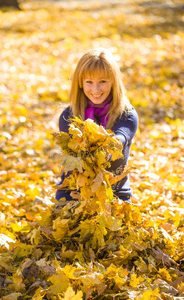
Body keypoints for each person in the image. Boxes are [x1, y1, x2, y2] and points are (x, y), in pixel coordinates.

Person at [55, 48, 138, 204]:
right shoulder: (68, 116)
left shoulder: (127, 114)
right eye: (89, 82)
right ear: (80, 83)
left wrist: (106, 148)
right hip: (73, 192)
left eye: (103, 81)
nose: (96, 89)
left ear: (113, 81)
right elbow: (71, 154)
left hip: (115, 192)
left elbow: (121, 137)